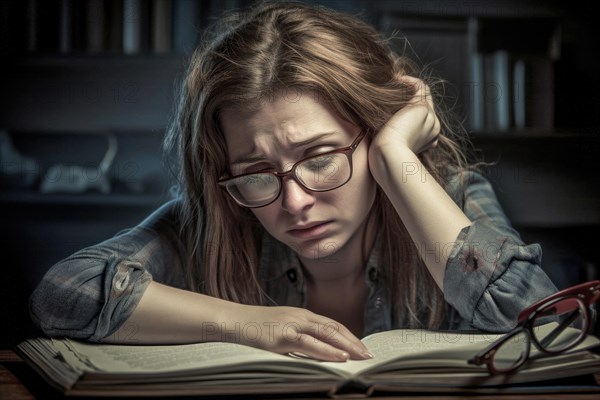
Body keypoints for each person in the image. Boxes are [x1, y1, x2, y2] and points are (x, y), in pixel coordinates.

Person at [30, 1, 557, 362]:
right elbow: (64, 293)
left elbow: (546, 324)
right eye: (256, 173)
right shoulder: (220, 216)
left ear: (373, 132)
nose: (294, 201)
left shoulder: (452, 197)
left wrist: (398, 160)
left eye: (322, 157)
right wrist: (247, 323)